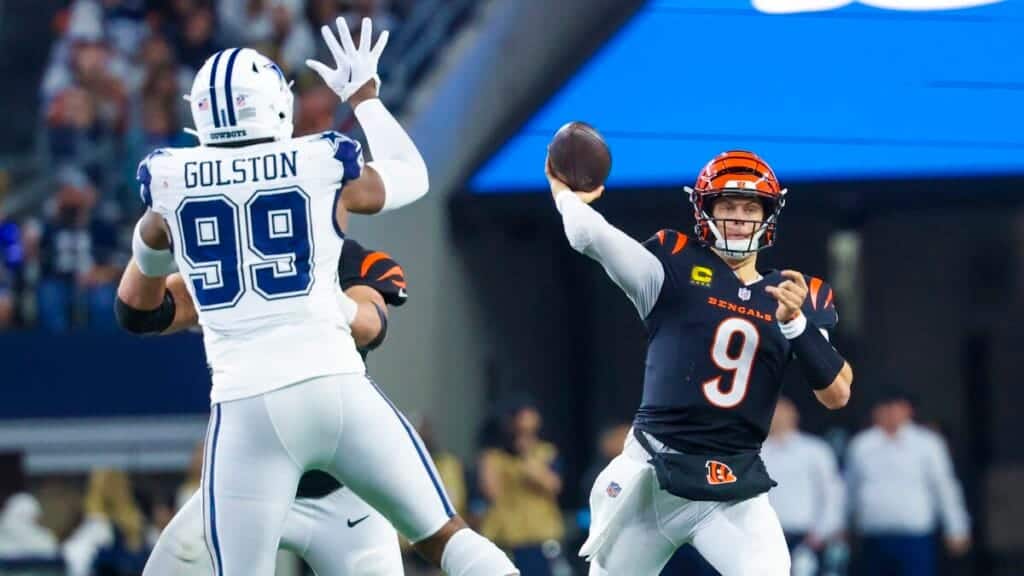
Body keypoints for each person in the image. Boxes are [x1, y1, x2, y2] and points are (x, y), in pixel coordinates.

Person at [117, 17, 517, 576]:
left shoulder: (168, 182)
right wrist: (367, 100)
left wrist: (152, 242)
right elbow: (410, 175)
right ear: (275, 105)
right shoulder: (322, 163)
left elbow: (134, 310)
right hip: (335, 389)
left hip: (247, 409)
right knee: (445, 537)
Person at [549, 149, 854, 576]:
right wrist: (564, 195)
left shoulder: (795, 294)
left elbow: (837, 393)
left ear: (768, 215)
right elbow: (592, 238)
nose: (738, 217)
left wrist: (795, 324)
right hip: (653, 476)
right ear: (704, 211)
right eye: (727, 206)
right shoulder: (673, 263)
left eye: (750, 207)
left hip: (733, 487)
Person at [122, 235, 409, 576]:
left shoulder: (346, 260)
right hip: (242, 488)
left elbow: (371, 326)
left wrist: (314, 297)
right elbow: (140, 312)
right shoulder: (231, 263)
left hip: (344, 492)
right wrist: (151, 236)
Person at [846, 390, 970, 576]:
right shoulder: (861, 445)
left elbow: (944, 487)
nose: (891, 413)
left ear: (908, 411)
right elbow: (850, 489)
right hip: (874, 536)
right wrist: (841, 524)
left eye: (896, 408)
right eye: (885, 408)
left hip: (915, 537)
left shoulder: (928, 444)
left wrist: (956, 527)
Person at [761, 397, 845, 574]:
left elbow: (832, 494)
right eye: (772, 410)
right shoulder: (755, 451)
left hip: (805, 538)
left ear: (794, 414)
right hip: (763, 537)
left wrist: (820, 533)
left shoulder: (815, 450)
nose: (777, 416)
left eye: (782, 410)